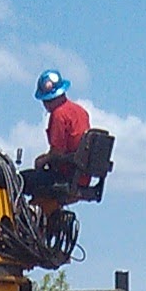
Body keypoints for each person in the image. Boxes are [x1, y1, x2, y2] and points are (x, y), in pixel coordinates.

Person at [24, 68, 91, 207]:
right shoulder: (81, 112)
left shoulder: (59, 115)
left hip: (66, 176)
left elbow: (57, 152)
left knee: (18, 180)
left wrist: (42, 160)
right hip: (82, 177)